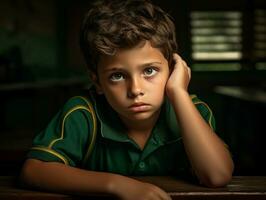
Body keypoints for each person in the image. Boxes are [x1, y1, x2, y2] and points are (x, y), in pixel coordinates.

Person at [19, 0, 234, 199]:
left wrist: (178, 92)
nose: (135, 90)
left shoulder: (191, 110)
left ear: (172, 69)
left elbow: (217, 176)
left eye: (149, 70)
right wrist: (116, 185)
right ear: (97, 82)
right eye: (117, 76)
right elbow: (34, 170)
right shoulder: (83, 113)